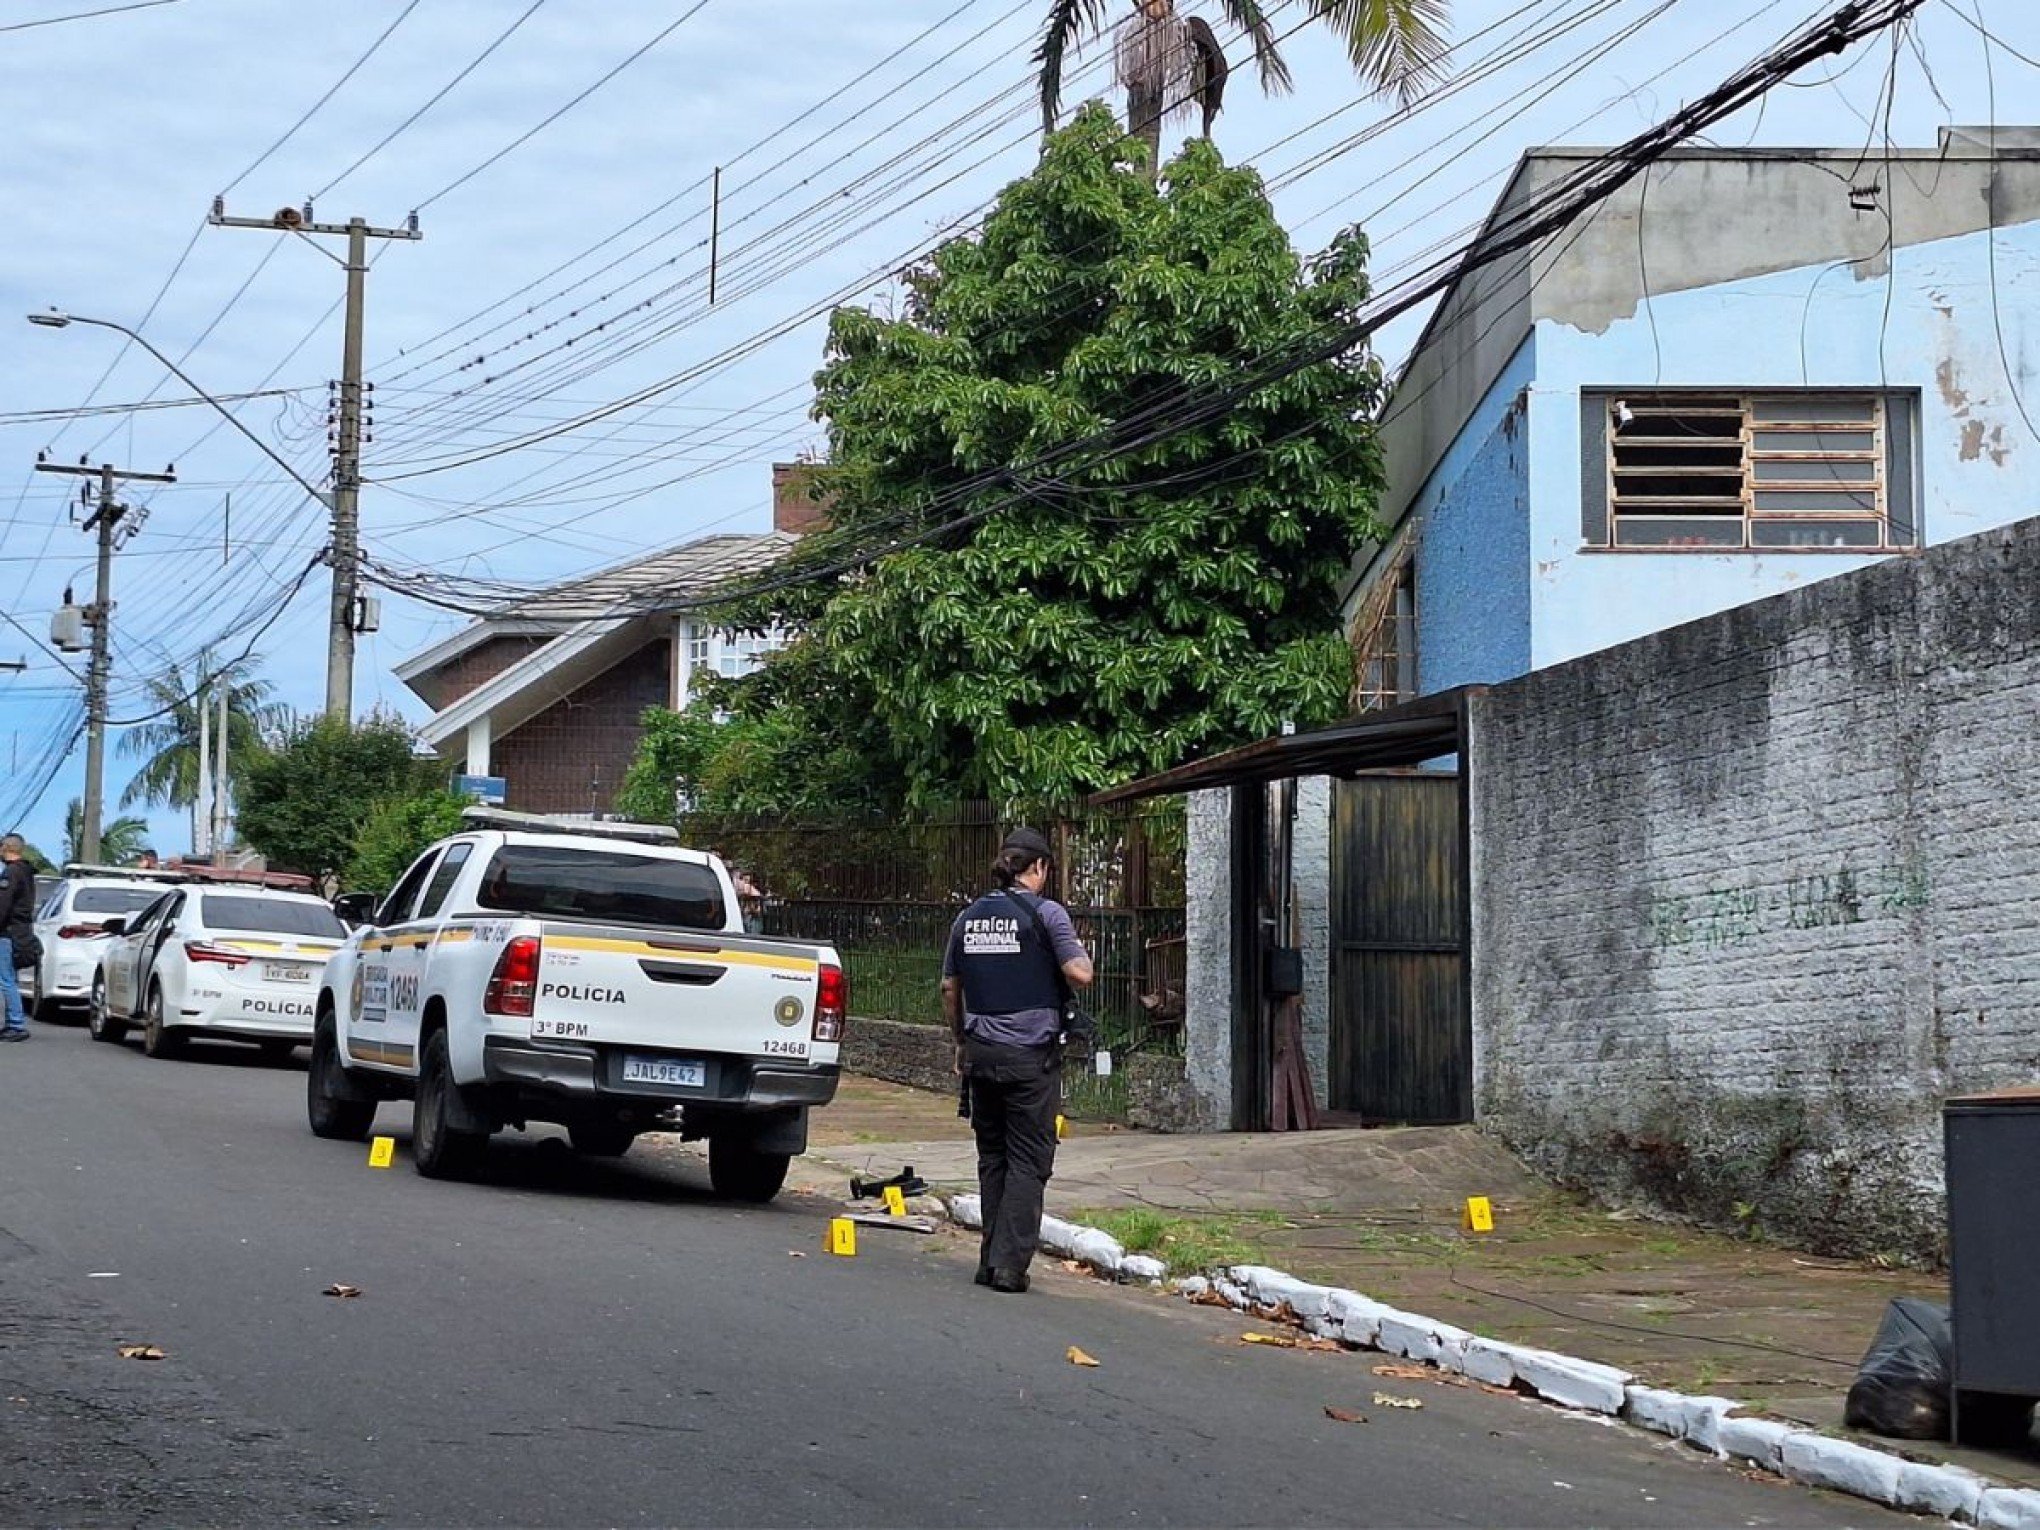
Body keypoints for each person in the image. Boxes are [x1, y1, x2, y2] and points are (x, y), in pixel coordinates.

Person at [940, 827, 1093, 1293]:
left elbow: (950, 988)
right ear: (1040, 867)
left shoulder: (968, 917)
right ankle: (1008, 1267)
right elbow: (1080, 974)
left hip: (981, 1057)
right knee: (1029, 1159)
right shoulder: (1047, 913)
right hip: (1031, 1060)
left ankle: (989, 1260)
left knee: (993, 1156)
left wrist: (961, 1043)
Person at [0, 833, 37, 1041]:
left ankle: (16, 1024)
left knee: (7, 980)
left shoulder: (11, 873)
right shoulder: (25, 871)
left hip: (9, 931)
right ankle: (12, 1023)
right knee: (10, 978)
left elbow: (3, 906)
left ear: (7, 848)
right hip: (20, 931)